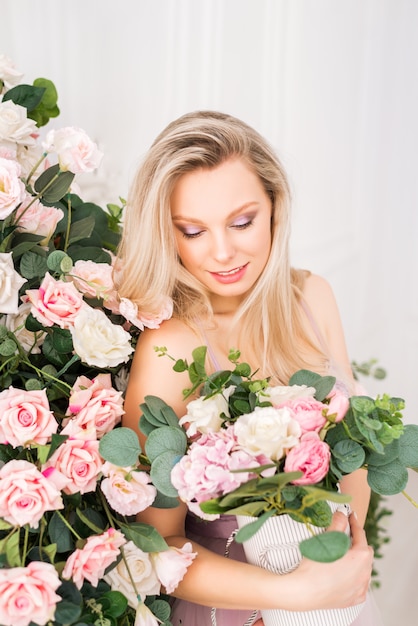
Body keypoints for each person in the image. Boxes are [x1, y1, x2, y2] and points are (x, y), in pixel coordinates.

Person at [118, 111, 379, 625]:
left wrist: (344, 562)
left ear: (275, 208)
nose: (222, 252)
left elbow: (356, 457)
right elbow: (157, 543)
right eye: (192, 231)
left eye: (242, 222)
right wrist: (291, 595)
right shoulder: (169, 348)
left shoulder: (313, 298)